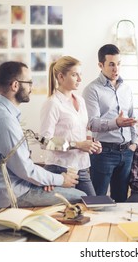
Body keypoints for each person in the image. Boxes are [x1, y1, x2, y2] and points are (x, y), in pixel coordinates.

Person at [0, 61, 85, 211]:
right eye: (29, 83)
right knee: (82, 197)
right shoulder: (3, 120)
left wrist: (45, 180)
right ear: (15, 86)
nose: (32, 88)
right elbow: (25, 168)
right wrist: (60, 179)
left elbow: (19, 166)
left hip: (10, 187)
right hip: (12, 194)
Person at [82, 44, 138, 202]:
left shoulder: (126, 88)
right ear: (101, 65)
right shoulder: (92, 90)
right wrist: (116, 123)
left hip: (126, 152)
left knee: (121, 200)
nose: (116, 69)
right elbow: (92, 123)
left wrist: (134, 143)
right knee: (98, 199)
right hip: (103, 153)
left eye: (119, 63)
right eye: (111, 64)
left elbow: (132, 117)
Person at [40, 56, 102, 196]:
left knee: (93, 207)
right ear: (61, 77)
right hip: (59, 169)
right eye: (74, 75)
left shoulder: (80, 100)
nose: (80, 79)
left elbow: (83, 130)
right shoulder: (52, 104)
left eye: (80, 74)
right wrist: (78, 144)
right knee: (63, 213)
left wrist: (91, 145)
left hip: (82, 167)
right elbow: (44, 142)